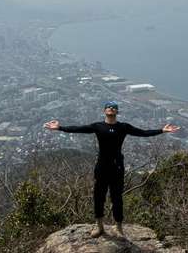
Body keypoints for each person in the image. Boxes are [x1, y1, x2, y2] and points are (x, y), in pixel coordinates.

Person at [44, 101, 180, 237]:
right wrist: (60, 127)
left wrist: (162, 130)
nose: (111, 108)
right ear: (104, 111)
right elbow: (79, 129)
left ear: (117, 112)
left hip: (117, 167)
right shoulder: (98, 126)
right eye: (108, 107)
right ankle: (99, 226)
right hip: (101, 166)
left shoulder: (123, 127)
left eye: (114, 107)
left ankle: (118, 228)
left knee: (117, 198)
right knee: (98, 197)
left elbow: (143, 132)